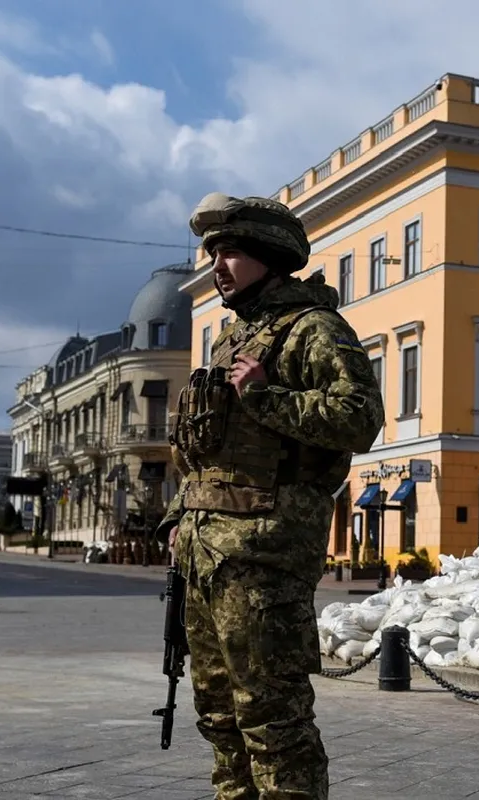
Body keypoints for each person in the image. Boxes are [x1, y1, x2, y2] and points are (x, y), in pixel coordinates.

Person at [159, 192, 384, 799]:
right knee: (220, 716)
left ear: (269, 256)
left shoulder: (312, 329)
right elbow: (204, 453)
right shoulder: (233, 340)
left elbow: (359, 417)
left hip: (264, 559)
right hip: (207, 559)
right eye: (213, 255)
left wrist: (265, 396)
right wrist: (181, 517)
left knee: (272, 719)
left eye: (230, 252)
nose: (218, 267)